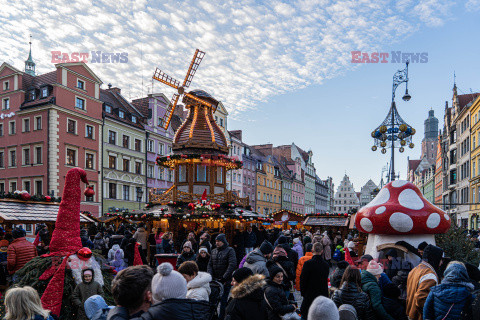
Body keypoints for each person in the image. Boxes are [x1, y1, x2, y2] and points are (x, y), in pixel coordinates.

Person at [406, 244, 443, 320]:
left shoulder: (415, 269)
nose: (442, 262)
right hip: (419, 317)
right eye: (441, 259)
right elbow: (421, 299)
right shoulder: (429, 275)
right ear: (435, 258)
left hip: (411, 314)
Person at [207, 233, 237, 319]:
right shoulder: (213, 251)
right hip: (214, 280)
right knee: (213, 301)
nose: (217, 243)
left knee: (223, 301)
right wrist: (210, 276)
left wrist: (224, 277)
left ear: (223, 242)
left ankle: (221, 317)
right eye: (216, 241)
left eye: (219, 241)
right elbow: (210, 265)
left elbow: (232, 264)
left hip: (225, 280)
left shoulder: (230, 250)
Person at [300, 242, 329, 318]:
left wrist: (304, 293)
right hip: (321, 295)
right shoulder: (326, 265)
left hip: (309, 295)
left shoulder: (308, 264)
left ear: (312, 250)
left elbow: (302, 280)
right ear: (322, 251)